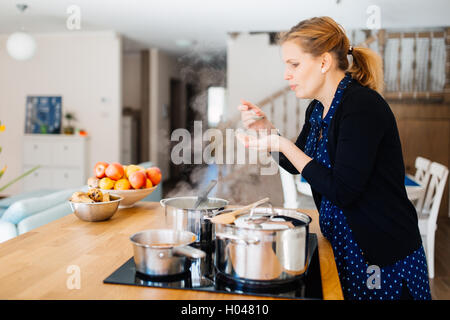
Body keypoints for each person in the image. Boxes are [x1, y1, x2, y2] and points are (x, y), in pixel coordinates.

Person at [237, 16, 431, 300]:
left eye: (294, 64)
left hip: (383, 253)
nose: (286, 75)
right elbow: (295, 163)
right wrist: (267, 130)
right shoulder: (317, 110)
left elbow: (344, 189)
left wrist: (280, 143)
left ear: (324, 62)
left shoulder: (361, 106)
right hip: (346, 244)